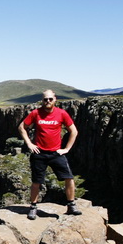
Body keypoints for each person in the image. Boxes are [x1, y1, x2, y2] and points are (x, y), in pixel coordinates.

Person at [17, 89, 81, 219]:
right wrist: (29, 144)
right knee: (36, 182)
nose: (48, 101)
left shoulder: (62, 114)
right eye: (45, 99)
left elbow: (73, 131)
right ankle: (33, 207)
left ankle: (71, 205)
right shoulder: (36, 113)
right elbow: (21, 127)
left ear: (55, 99)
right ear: (42, 100)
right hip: (39, 153)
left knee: (69, 178)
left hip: (56, 153)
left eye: (50, 99)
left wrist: (66, 149)